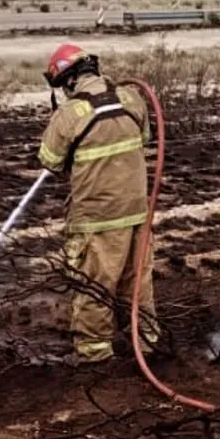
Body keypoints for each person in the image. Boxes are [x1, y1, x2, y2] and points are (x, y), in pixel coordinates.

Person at [38, 43, 159, 364]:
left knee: (95, 285)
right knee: (138, 283)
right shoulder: (132, 99)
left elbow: (49, 160)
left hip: (95, 216)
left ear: (66, 81)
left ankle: (94, 355)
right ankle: (145, 343)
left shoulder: (68, 114)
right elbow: (144, 139)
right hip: (136, 211)